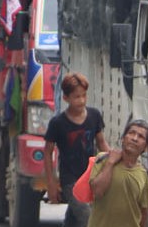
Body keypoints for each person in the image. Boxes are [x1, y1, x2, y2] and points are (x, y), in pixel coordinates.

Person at [44, 72, 109, 227]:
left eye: (84, 96)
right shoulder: (58, 123)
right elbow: (47, 153)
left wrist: (111, 164)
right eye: (76, 97)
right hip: (70, 179)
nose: (81, 101)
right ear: (66, 98)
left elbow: (101, 144)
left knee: (75, 217)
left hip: (90, 176)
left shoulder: (94, 116)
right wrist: (51, 183)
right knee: (87, 216)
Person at [88, 121, 148, 227]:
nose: (134, 138)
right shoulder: (103, 160)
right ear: (123, 138)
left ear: (145, 147)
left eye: (141, 137)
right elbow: (98, 191)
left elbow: (144, 212)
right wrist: (110, 163)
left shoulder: (143, 175)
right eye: (131, 133)